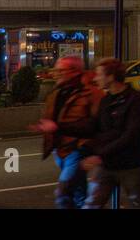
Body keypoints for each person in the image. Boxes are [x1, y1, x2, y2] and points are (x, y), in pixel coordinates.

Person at [46, 57, 140, 208]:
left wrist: (98, 156)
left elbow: (129, 136)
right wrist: (58, 127)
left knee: (138, 202)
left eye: (99, 74)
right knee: (92, 203)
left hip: (130, 165)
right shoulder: (107, 100)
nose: (95, 78)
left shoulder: (136, 101)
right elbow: (93, 127)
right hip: (107, 165)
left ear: (111, 76)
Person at [30, 55, 102, 209]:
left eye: (60, 70)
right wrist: (44, 127)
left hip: (77, 148)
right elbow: (52, 116)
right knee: (78, 191)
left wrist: (93, 149)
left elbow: (97, 124)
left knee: (63, 192)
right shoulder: (57, 92)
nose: (56, 73)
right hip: (60, 148)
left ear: (74, 71)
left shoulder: (91, 93)